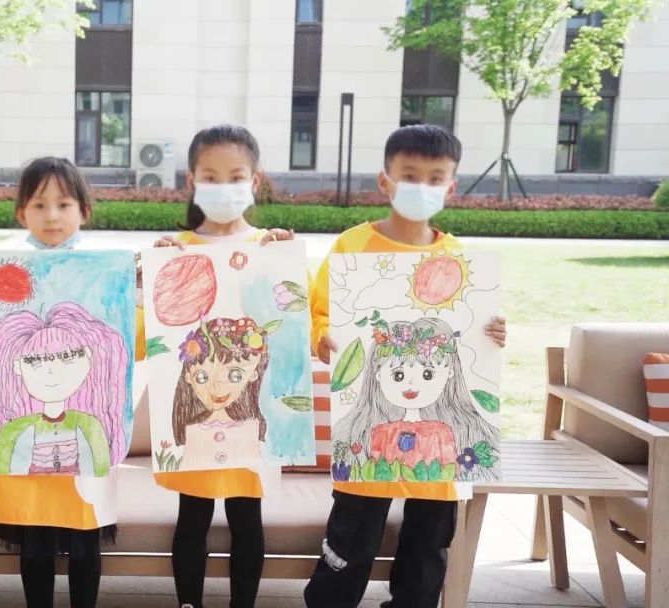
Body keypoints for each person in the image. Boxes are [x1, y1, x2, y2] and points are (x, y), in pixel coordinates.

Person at [303, 124, 507, 608]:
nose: (423, 187)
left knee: (428, 547)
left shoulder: (457, 256)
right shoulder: (353, 247)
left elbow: (469, 334)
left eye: (436, 178)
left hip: (440, 439)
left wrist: (492, 333)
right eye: (410, 175)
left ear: (451, 187)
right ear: (386, 181)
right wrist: (323, 335)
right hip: (368, 428)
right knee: (351, 537)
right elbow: (318, 311)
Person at [0, 156, 144, 608]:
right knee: (33, 543)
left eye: (64, 204)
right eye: (39, 204)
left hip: (83, 438)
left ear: (84, 211)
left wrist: (135, 293)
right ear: (22, 213)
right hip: (26, 443)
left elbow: (131, 345)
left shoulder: (106, 274)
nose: (52, 215)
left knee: (85, 539)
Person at [150, 124, 295, 608]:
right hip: (198, 415)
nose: (224, 187)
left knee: (246, 518)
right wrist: (149, 278)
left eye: (235, 176)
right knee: (191, 517)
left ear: (256, 180)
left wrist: (284, 265)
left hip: (247, 418)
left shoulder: (272, 248)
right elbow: (152, 337)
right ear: (191, 180)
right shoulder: (175, 250)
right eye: (211, 177)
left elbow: (292, 328)